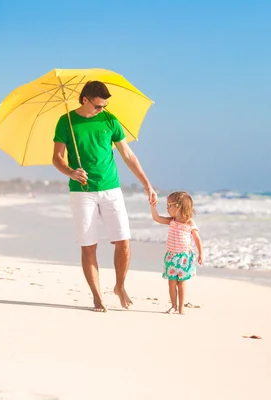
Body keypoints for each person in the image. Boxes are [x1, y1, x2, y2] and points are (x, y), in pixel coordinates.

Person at [52, 80, 157, 312]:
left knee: (124, 242)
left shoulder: (110, 120)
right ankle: (97, 297)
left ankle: (119, 286)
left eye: (104, 106)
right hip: (82, 193)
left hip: (111, 189)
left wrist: (147, 184)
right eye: (98, 106)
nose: (102, 109)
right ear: (85, 100)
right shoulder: (66, 121)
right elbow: (56, 157)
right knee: (88, 246)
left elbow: (128, 155)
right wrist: (71, 171)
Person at [150, 191, 203, 314]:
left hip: (184, 258)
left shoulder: (189, 222)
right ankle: (173, 305)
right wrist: (153, 207)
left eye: (169, 205)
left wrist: (201, 253)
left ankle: (181, 307)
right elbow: (156, 218)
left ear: (178, 206)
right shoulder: (171, 221)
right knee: (172, 283)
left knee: (181, 283)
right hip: (171, 257)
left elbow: (197, 239)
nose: (167, 208)